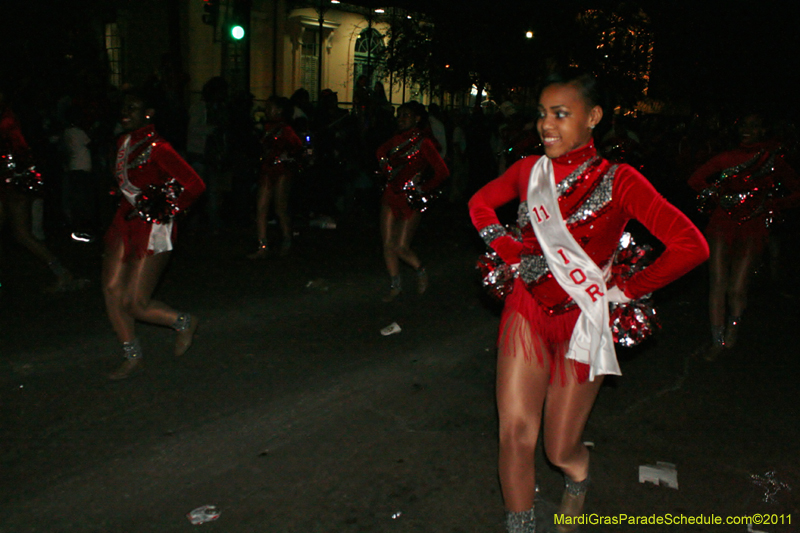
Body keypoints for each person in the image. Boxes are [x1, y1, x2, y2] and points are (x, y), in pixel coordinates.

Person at [468, 71, 709, 533]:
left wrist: (630, 288)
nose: (546, 125)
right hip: (526, 307)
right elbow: (479, 204)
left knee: (559, 448)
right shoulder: (528, 170)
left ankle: (578, 475)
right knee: (515, 434)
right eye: (542, 113)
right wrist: (508, 249)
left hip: (585, 319)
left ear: (593, 117)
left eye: (561, 114)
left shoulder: (621, 180)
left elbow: (691, 246)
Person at [103, 90, 206, 380]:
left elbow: (195, 185)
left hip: (153, 226)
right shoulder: (123, 143)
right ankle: (131, 355)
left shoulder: (159, 148)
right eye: (124, 107)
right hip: (125, 220)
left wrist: (168, 208)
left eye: (133, 107)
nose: (126, 112)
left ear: (148, 113)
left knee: (135, 303)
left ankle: (183, 321)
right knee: (111, 288)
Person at [688, 112, 800, 360]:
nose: (747, 130)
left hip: (754, 225)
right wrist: (718, 195)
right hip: (722, 222)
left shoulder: (772, 161)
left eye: (754, 126)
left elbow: (796, 191)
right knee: (717, 283)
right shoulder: (726, 157)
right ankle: (717, 341)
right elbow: (695, 179)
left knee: (737, 289)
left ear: (763, 131)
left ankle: (732, 330)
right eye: (743, 126)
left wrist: (772, 204)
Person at [1, 87, 82, 292]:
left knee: (22, 234)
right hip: (13, 181)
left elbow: (16, 153)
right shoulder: (11, 119)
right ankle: (62, 273)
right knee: (22, 233)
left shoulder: (8, 121)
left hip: (13, 183)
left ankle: (62, 273)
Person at [376, 101, 449, 302]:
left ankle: (420, 270)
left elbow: (442, 172)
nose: (401, 119)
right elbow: (380, 152)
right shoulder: (395, 139)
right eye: (399, 115)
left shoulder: (424, 143)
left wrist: (422, 187)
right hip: (391, 194)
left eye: (406, 115)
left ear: (417, 118)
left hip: (411, 199)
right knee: (387, 244)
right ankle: (395, 286)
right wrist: (388, 171)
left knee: (401, 247)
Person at [248, 96, 302, 258]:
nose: (266, 110)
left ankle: (287, 240)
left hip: (281, 171)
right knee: (261, 207)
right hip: (267, 169)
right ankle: (263, 246)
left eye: (269, 107)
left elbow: (299, 148)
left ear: (279, 110)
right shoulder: (267, 128)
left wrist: (287, 158)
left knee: (280, 207)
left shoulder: (286, 130)